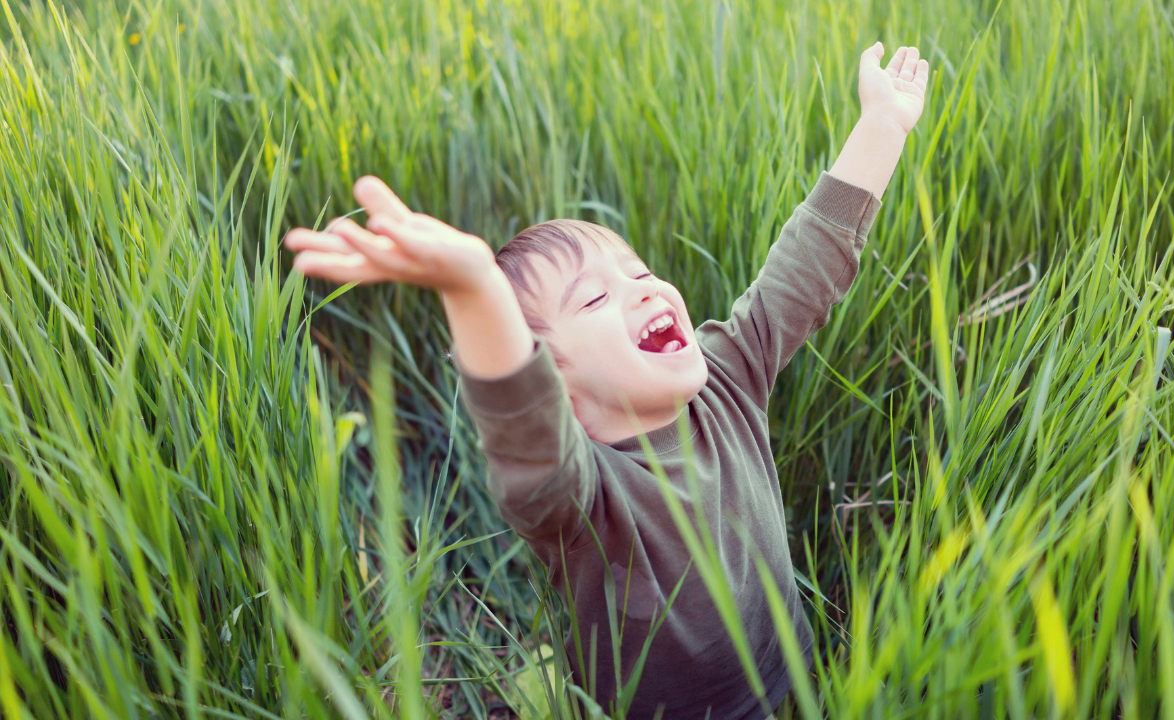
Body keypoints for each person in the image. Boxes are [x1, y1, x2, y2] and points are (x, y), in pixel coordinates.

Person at [284, 41, 928, 719]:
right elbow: (521, 421)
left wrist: (882, 125)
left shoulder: (729, 380)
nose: (642, 291)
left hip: (795, 688)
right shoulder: (581, 500)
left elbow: (806, 268)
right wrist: (473, 286)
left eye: (641, 273)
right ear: (557, 383)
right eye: (593, 299)